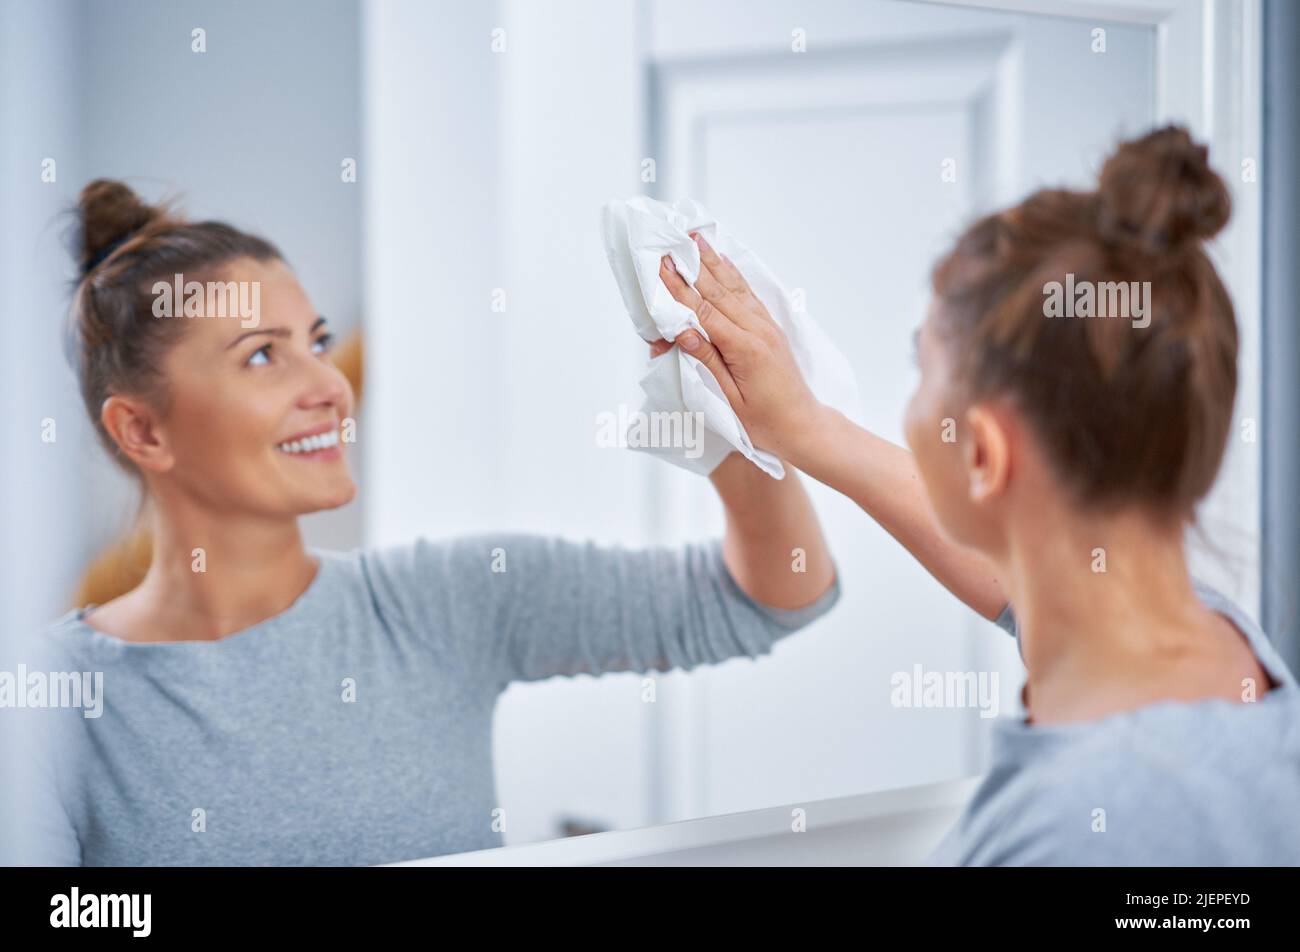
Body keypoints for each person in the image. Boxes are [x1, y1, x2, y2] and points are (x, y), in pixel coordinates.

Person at [11, 179, 851, 866]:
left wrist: (734, 434)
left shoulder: (442, 600)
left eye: (318, 340)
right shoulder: (47, 702)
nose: (330, 386)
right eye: (264, 355)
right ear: (142, 430)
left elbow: (778, 595)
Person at [658, 125, 1300, 865]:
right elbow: (1030, 579)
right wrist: (806, 429)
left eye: (922, 366)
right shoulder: (1214, 640)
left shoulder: (1069, 828)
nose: (913, 399)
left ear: (986, 456)